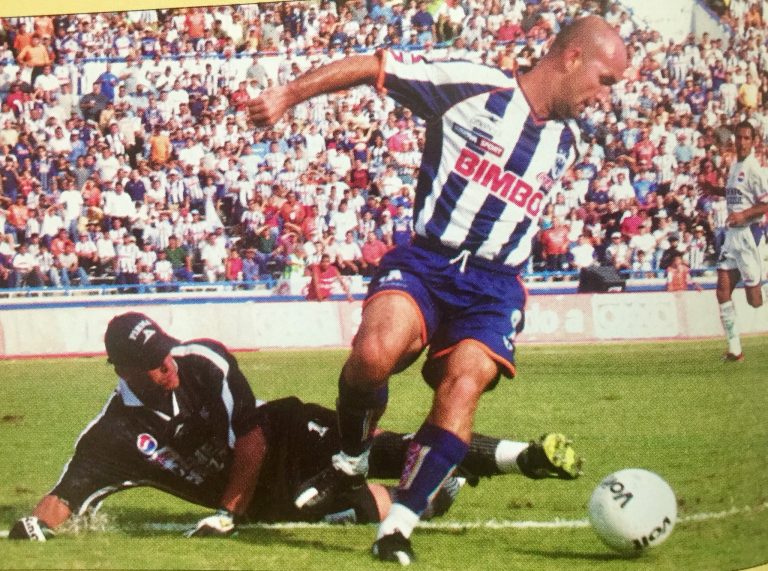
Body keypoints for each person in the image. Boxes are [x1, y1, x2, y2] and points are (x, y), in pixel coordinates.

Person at [249, 15, 624, 564]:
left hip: (493, 287)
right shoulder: (473, 86)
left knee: (463, 381)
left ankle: (398, 527)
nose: (604, 97)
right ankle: (349, 462)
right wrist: (288, 94)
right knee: (373, 353)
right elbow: (373, 66)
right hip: (429, 261)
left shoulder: (566, 143)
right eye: (605, 79)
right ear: (570, 58)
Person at [8, 312, 582, 541]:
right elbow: (64, 496)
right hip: (255, 495)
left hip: (273, 438)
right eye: (154, 363)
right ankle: (433, 495)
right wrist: (33, 527)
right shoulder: (110, 434)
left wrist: (226, 515)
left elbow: (251, 434)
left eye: (166, 351)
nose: (168, 365)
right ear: (123, 370)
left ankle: (521, 457)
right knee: (355, 503)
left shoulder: (200, 360)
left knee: (364, 450)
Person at [701, 121, 768, 361]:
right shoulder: (734, 166)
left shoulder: (755, 170)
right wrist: (713, 190)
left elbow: (765, 203)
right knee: (722, 291)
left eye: (746, 138)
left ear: (753, 142)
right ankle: (735, 350)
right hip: (732, 237)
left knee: (755, 301)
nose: (741, 142)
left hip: (749, 235)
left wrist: (743, 214)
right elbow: (734, 194)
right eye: (739, 137)